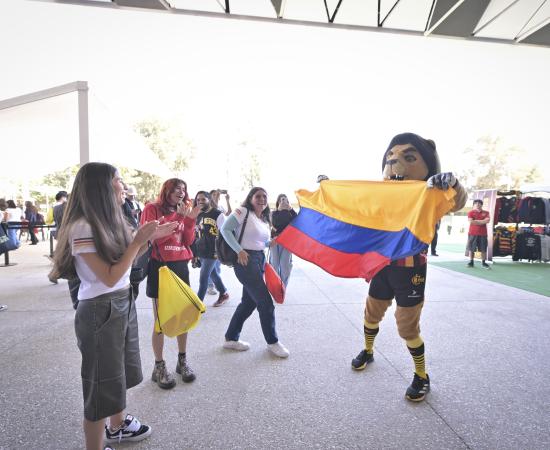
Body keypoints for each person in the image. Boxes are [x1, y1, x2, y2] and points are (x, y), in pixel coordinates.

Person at [49, 162, 177, 450]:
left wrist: (149, 239)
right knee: (100, 384)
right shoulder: (82, 227)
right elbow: (109, 277)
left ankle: (118, 425)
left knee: (119, 371)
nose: (124, 185)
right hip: (100, 309)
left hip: (121, 301)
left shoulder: (109, 221)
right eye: (119, 179)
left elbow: (124, 265)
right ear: (102, 187)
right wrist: (138, 241)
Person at [141, 178, 201, 389]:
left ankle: (182, 361)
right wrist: (178, 219)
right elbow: (151, 239)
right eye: (177, 188)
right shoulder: (152, 209)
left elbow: (188, 241)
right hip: (160, 267)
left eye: (184, 189)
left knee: (183, 316)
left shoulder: (182, 211)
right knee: (161, 320)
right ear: (167, 190)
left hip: (181, 266)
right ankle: (159, 366)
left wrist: (189, 220)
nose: (181, 192)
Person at [220, 187, 289, 358]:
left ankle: (231, 338)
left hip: (259, 259)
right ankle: (273, 342)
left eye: (265, 196)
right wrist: (239, 250)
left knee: (248, 303)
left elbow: (257, 242)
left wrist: (269, 243)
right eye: (258, 196)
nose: (262, 199)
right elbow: (225, 229)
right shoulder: (243, 211)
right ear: (250, 198)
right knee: (265, 303)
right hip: (245, 260)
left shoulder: (263, 219)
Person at [193, 191, 230, 306]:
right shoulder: (198, 214)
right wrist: (195, 252)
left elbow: (225, 234)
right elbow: (197, 234)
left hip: (213, 251)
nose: (200, 202)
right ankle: (224, 293)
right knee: (213, 274)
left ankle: (198, 305)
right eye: (198, 200)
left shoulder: (218, 214)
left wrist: (220, 251)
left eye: (203, 199)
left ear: (209, 199)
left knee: (203, 277)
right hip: (201, 250)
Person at [207, 189, 232, 295]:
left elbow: (229, 213)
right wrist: (216, 196)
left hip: (220, 238)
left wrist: (227, 200)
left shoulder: (220, 207)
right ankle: (210, 285)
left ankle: (215, 284)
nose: (216, 196)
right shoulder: (209, 207)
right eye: (213, 195)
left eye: (216, 194)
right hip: (210, 238)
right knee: (210, 263)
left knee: (218, 262)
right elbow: (214, 208)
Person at [270, 194, 297, 287]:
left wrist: (290, 209)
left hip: (288, 241)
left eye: (285, 200)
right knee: (274, 264)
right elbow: (275, 224)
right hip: (275, 240)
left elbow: (297, 222)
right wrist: (279, 210)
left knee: (285, 265)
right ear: (278, 202)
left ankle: (283, 287)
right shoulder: (274, 213)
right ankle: (275, 285)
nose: (283, 201)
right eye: (281, 200)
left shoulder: (291, 212)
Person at [466, 199, 491, 268]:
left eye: (479, 203)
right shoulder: (471, 212)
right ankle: (471, 262)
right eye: (476, 203)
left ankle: (483, 263)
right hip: (472, 233)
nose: (477, 204)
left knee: (483, 249)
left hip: (483, 234)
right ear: (474, 205)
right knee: (471, 248)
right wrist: (482, 221)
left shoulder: (486, 212)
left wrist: (476, 221)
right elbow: (471, 221)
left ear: (481, 204)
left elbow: (487, 221)